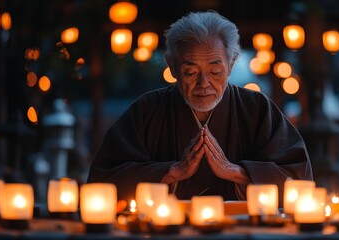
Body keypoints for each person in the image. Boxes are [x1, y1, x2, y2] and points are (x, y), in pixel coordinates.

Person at [87, 10, 313, 203]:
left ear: (231, 63)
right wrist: (172, 171)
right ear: (172, 66)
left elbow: (299, 180)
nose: (203, 84)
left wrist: (235, 172)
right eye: (190, 71)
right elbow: (103, 181)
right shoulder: (147, 110)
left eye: (215, 71)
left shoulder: (258, 109)